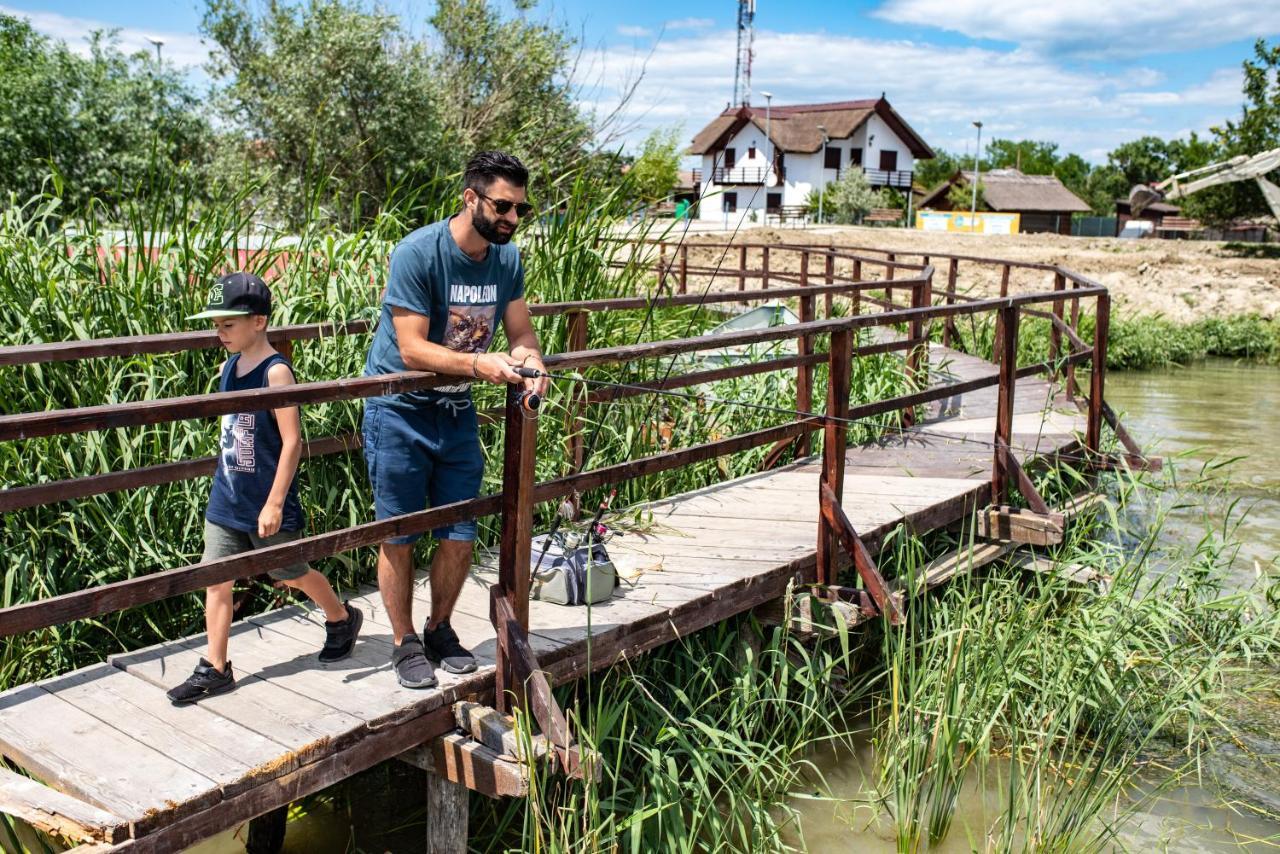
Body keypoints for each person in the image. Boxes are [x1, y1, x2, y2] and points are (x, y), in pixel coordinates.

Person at [362, 151, 547, 689]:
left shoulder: (506, 261)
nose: (512, 218)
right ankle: (403, 643)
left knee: (460, 530)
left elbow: (522, 336)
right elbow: (412, 348)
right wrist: (477, 364)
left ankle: (440, 627)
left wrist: (533, 366)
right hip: (400, 408)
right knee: (398, 533)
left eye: (521, 209)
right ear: (471, 198)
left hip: (457, 410)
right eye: (503, 205)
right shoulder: (418, 252)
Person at [168, 272, 363, 705]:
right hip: (227, 494)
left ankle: (341, 617)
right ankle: (215, 667)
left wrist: (275, 502)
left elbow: (292, 440)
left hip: (266, 499)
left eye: (228, 325)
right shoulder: (227, 368)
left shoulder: (275, 374)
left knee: (288, 572)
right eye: (217, 326)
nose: (220, 334)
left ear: (258, 322)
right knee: (215, 578)